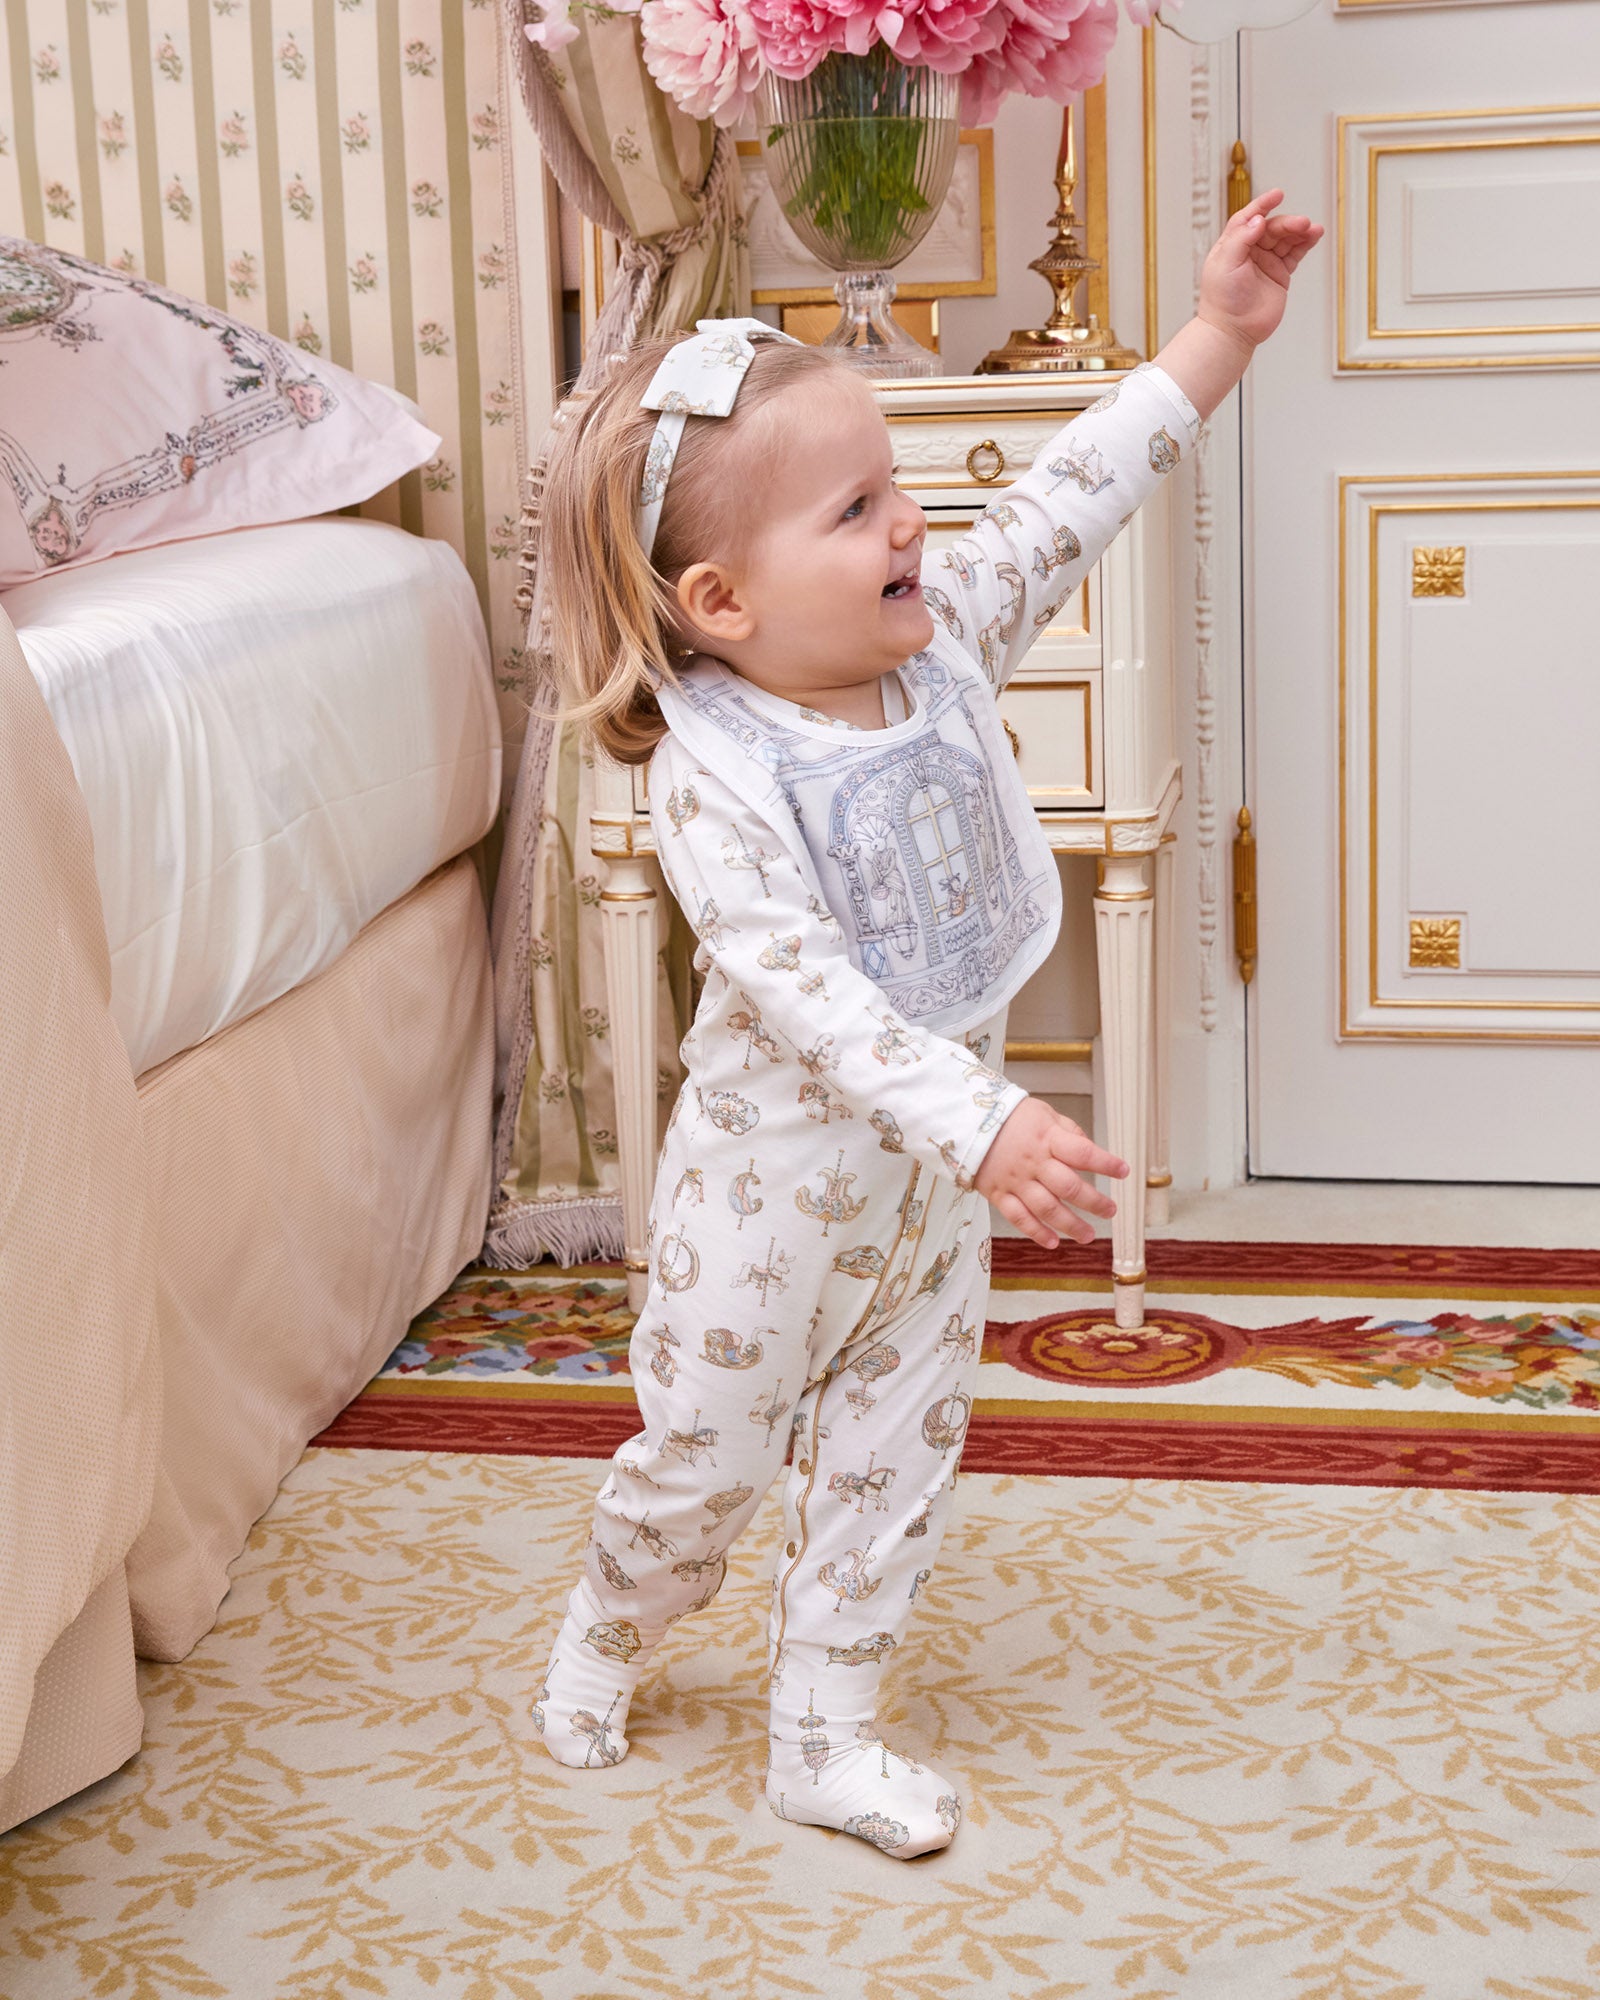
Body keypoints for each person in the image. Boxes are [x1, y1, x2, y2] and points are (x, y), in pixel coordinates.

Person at [531, 190, 1323, 1855]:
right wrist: (989, 1122)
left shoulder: (945, 638)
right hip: (764, 1206)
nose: (910, 521)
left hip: (928, 1203)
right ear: (721, 600)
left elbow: (1071, 493)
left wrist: (1218, 334)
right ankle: (611, 1618)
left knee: (892, 1472)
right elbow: (810, 994)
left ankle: (824, 1739)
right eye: (857, 509)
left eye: (892, 485)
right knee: (700, 1476)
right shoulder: (715, 772)